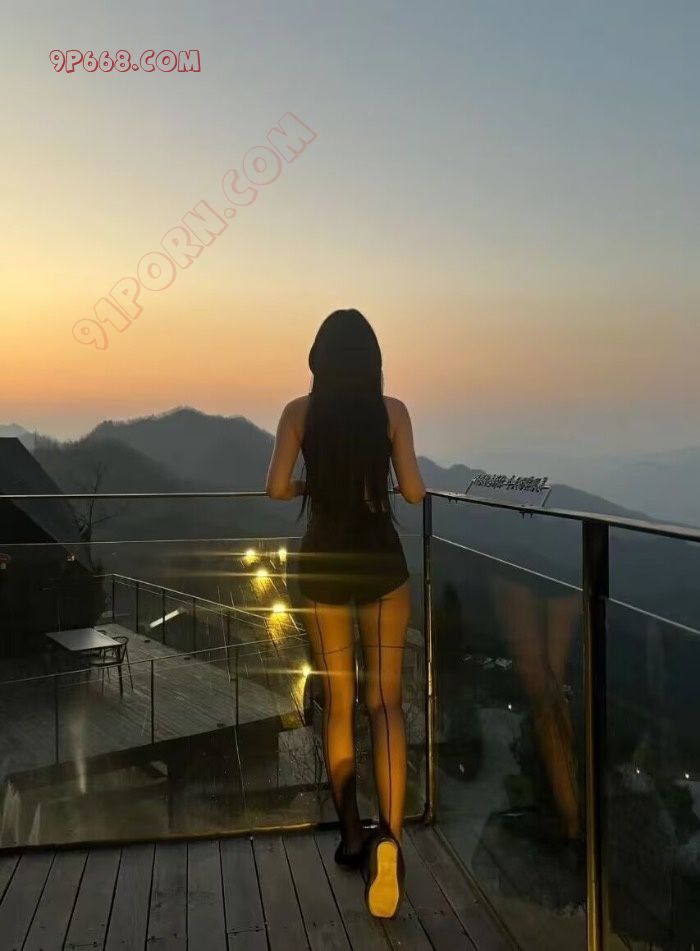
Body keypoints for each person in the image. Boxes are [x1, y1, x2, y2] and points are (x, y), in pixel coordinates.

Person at [265, 308, 425, 918]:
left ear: (319, 360)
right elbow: (415, 491)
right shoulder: (392, 412)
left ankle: (353, 835)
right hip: (381, 562)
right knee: (386, 704)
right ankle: (391, 841)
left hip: (325, 563)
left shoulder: (299, 413)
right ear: (372, 360)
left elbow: (277, 487)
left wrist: (315, 486)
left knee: (339, 704)